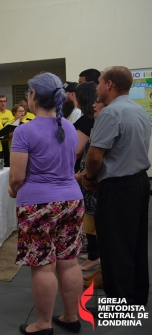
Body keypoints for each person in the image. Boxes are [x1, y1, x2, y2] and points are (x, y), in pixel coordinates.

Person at [9, 72, 84, 335]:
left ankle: (42, 324)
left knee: (42, 265)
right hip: (72, 200)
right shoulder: (71, 128)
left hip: (38, 205)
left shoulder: (24, 130)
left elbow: (17, 176)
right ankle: (71, 317)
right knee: (70, 261)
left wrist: (12, 189)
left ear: (33, 97)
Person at [83, 66, 151, 306]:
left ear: (109, 85)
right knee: (135, 242)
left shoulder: (110, 114)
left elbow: (94, 156)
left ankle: (119, 303)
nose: (97, 87)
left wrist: (89, 178)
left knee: (114, 246)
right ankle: (136, 297)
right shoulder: (139, 110)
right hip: (139, 183)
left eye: (99, 82)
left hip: (118, 187)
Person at [76, 95, 105, 288]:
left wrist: (86, 176)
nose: (94, 105)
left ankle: (105, 272)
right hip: (93, 181)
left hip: (100, 183)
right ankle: (103, 272)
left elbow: (95, 157)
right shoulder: (98, 123)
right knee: (95, 223)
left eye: (98, 102)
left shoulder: (107, 120)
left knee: (103, 229)